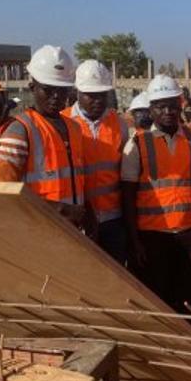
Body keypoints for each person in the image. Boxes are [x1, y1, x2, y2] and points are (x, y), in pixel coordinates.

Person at [121, 74, 191, 313]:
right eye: (160, 106)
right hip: (152, 237)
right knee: (157, 295)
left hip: (189, 233)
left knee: (187, 293)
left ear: (181, 105)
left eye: (172, 105)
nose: (167, 111)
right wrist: (134, 241)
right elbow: (128, 197)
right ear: (151, 109)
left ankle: (188, 341)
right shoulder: (137, 144)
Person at [0, 45, 86, 228]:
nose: (56, 96)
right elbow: (2, 193)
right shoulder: (20, 131)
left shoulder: (74, 128)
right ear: (32, 87)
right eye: (48, 89)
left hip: (73, 229)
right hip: (39, 228)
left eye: (62, 90)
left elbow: (77, 180)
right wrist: (61, 209)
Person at [63, 60, 129, 263]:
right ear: (77, 92)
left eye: (102, 94)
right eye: (90, 95)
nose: (98, 100)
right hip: (78, 219)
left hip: (114, 219)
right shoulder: (64, 123)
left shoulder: (118, 124)